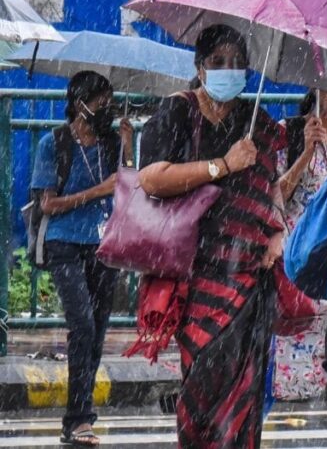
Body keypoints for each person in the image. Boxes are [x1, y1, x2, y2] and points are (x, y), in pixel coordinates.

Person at [137, 24, 286, 448]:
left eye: (237, 63)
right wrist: (222, 165)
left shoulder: (257, 124)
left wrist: (277, 233)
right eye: (218, 62)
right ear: (200, 68)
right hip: (195, 275)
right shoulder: (177, 112)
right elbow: (151, 179)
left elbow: (272, 190)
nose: (228, 70)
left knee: (244, 398)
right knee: (202, 390)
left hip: (247, 278)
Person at [31, 70, 133, 446]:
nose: (106, 109)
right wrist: (97, 191)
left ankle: (78, 417)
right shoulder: (54, 143)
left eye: (109, 102)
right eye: (100, 103)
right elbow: (48, 204)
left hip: (103, 244)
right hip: (64, 244)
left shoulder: (109, 142)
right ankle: (78, 418)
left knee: (98, 330)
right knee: (83, 326)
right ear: (79, 105)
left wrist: (127, 146)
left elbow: (129, 189)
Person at [272, 89, 327, 401]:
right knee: (281, 376)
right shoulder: (289, 132)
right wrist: (305, 153)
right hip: (293, 268)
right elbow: (276, 195)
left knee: (319, 378)